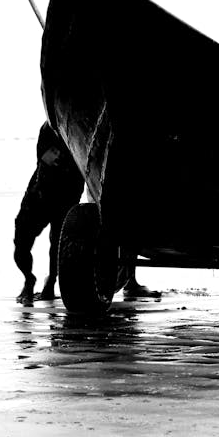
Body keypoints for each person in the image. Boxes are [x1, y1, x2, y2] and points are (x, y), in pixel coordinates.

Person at [14, 122, 158, 305]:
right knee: (21, 241)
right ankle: (29, 279)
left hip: (66, 192)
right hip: (39, 192)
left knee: (58, 242)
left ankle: (50, 280)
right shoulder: (50, 129)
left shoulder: (85, 134)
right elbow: (46, 161)